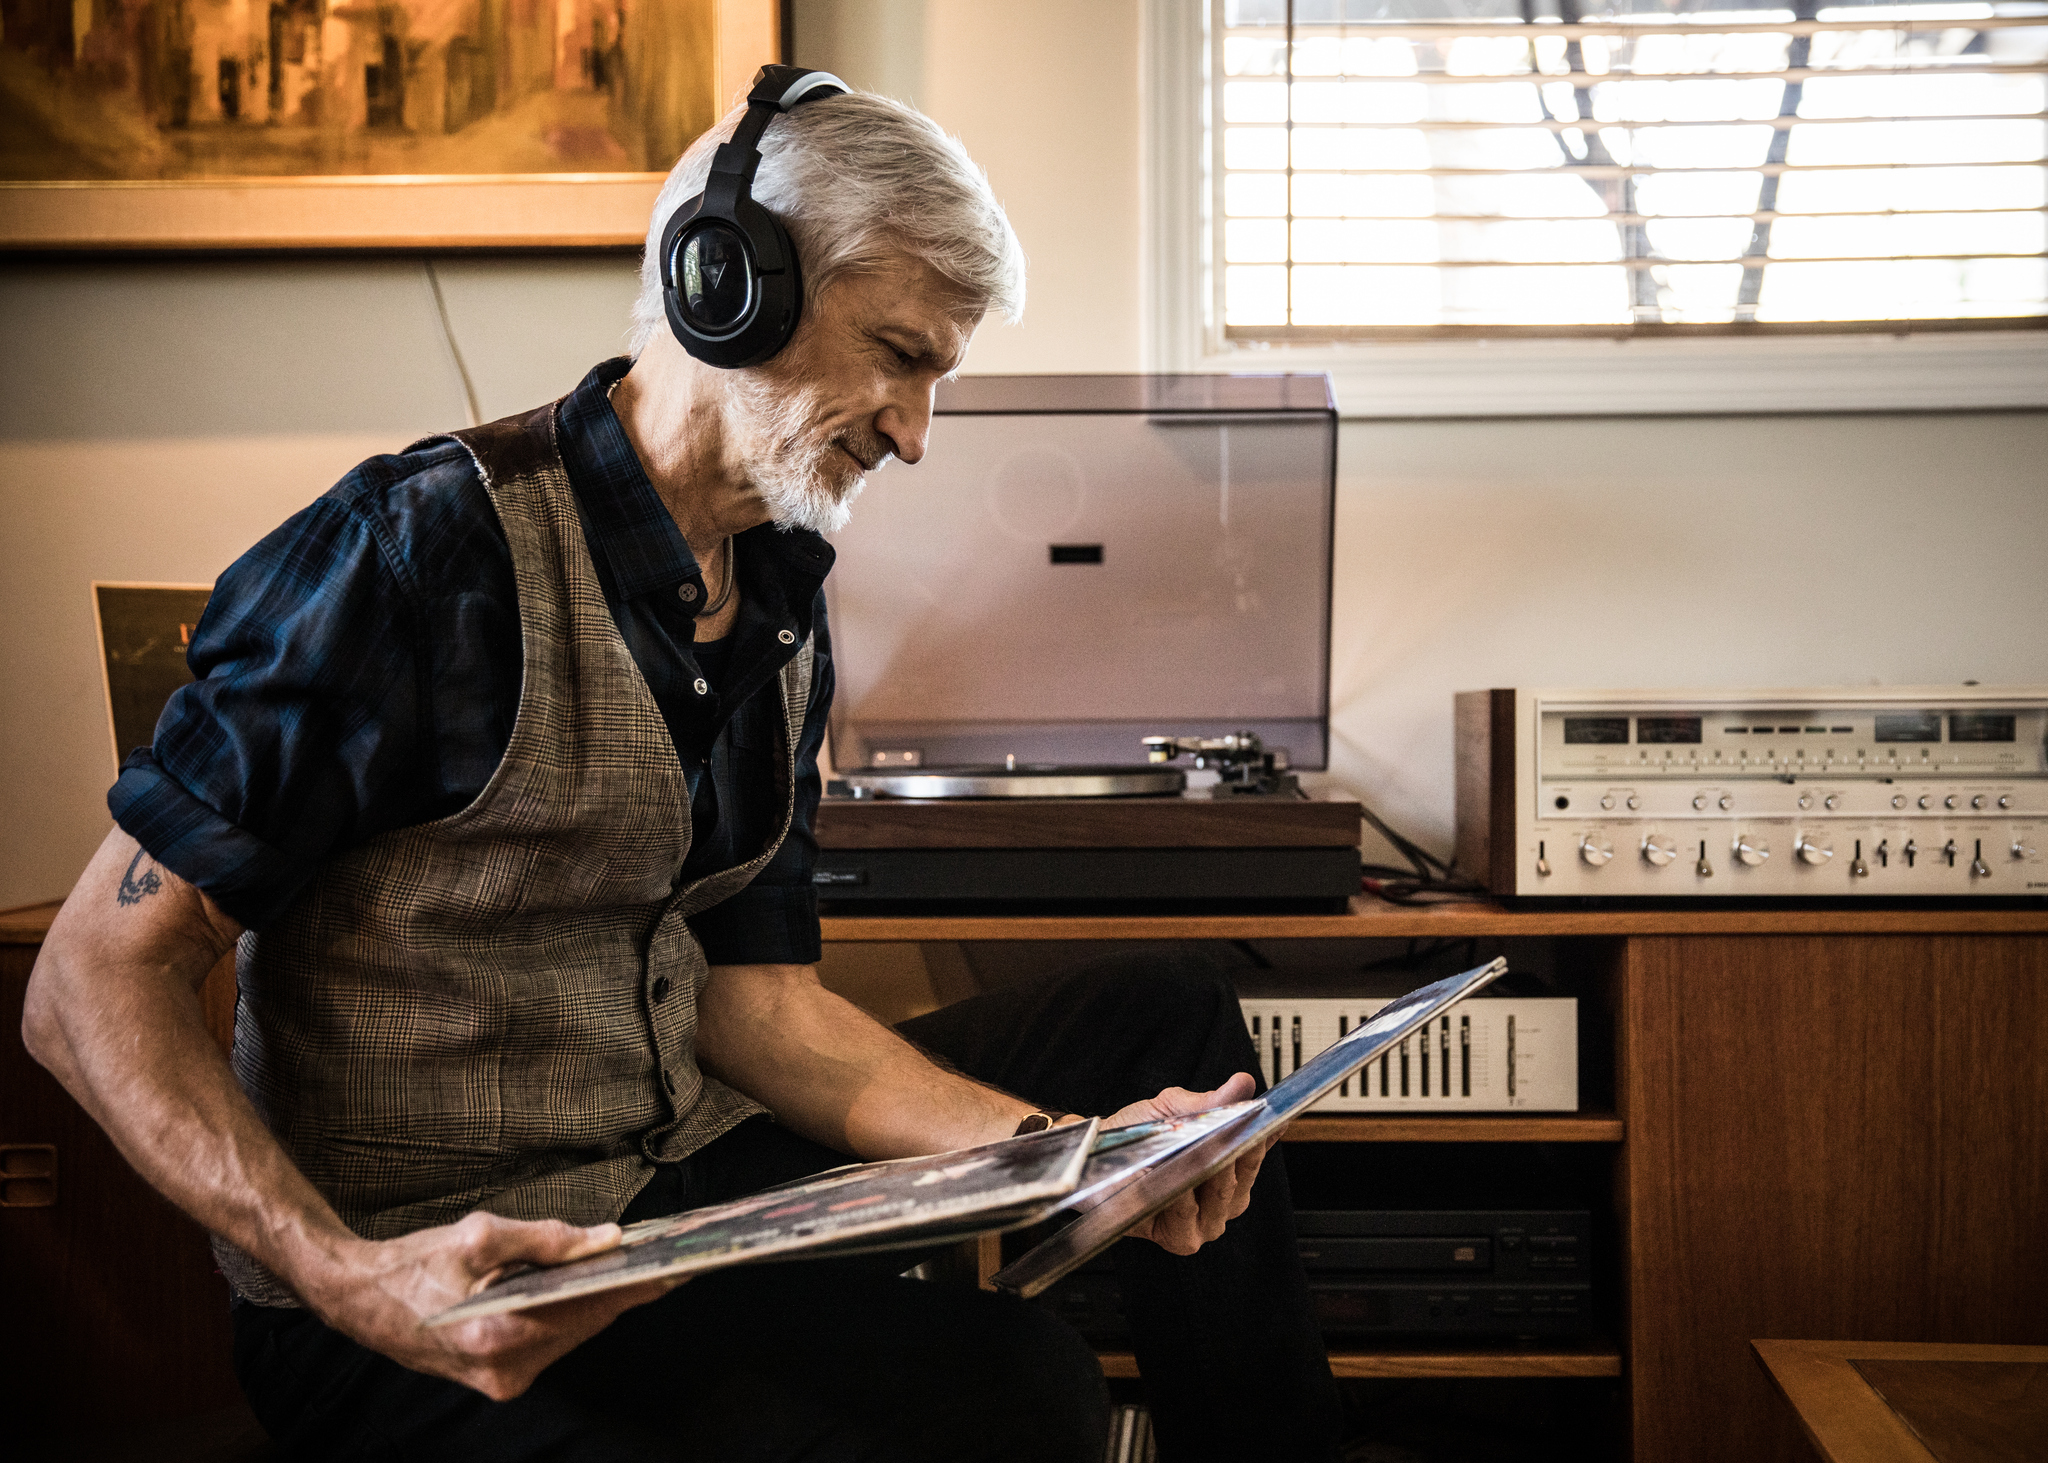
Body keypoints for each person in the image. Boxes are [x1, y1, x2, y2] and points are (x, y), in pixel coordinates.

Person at [23, 71, 1342, 1462]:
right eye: (898, 355)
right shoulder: (413, 558)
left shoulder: (778, 586)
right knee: (1018, 1397)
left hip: (670, 1203)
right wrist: (347, 1277)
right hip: (439, 1279)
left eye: (938, 377)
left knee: (1166, 1034)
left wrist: (1077, 1154)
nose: (914, 433)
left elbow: (760, 1011)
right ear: (732, 288)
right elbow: (89, 980)